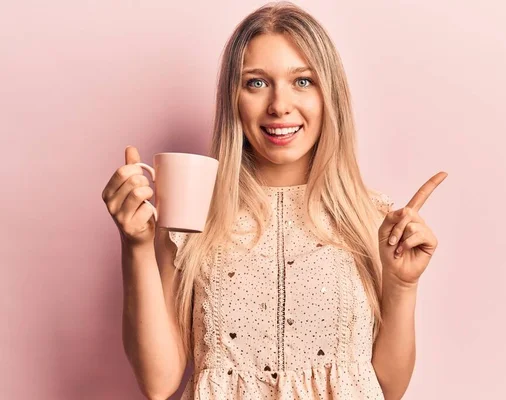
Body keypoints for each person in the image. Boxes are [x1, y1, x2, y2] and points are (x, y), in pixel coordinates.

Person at [101, 2, 447, 399]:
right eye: (256, 82)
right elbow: (159, 384)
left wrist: (403, 284)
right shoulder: (193, 213)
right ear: (234, 99)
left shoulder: (371, 217)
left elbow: (387, 387)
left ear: (329, 94)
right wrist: (137, 245)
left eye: (303, 81)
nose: (280, 105)